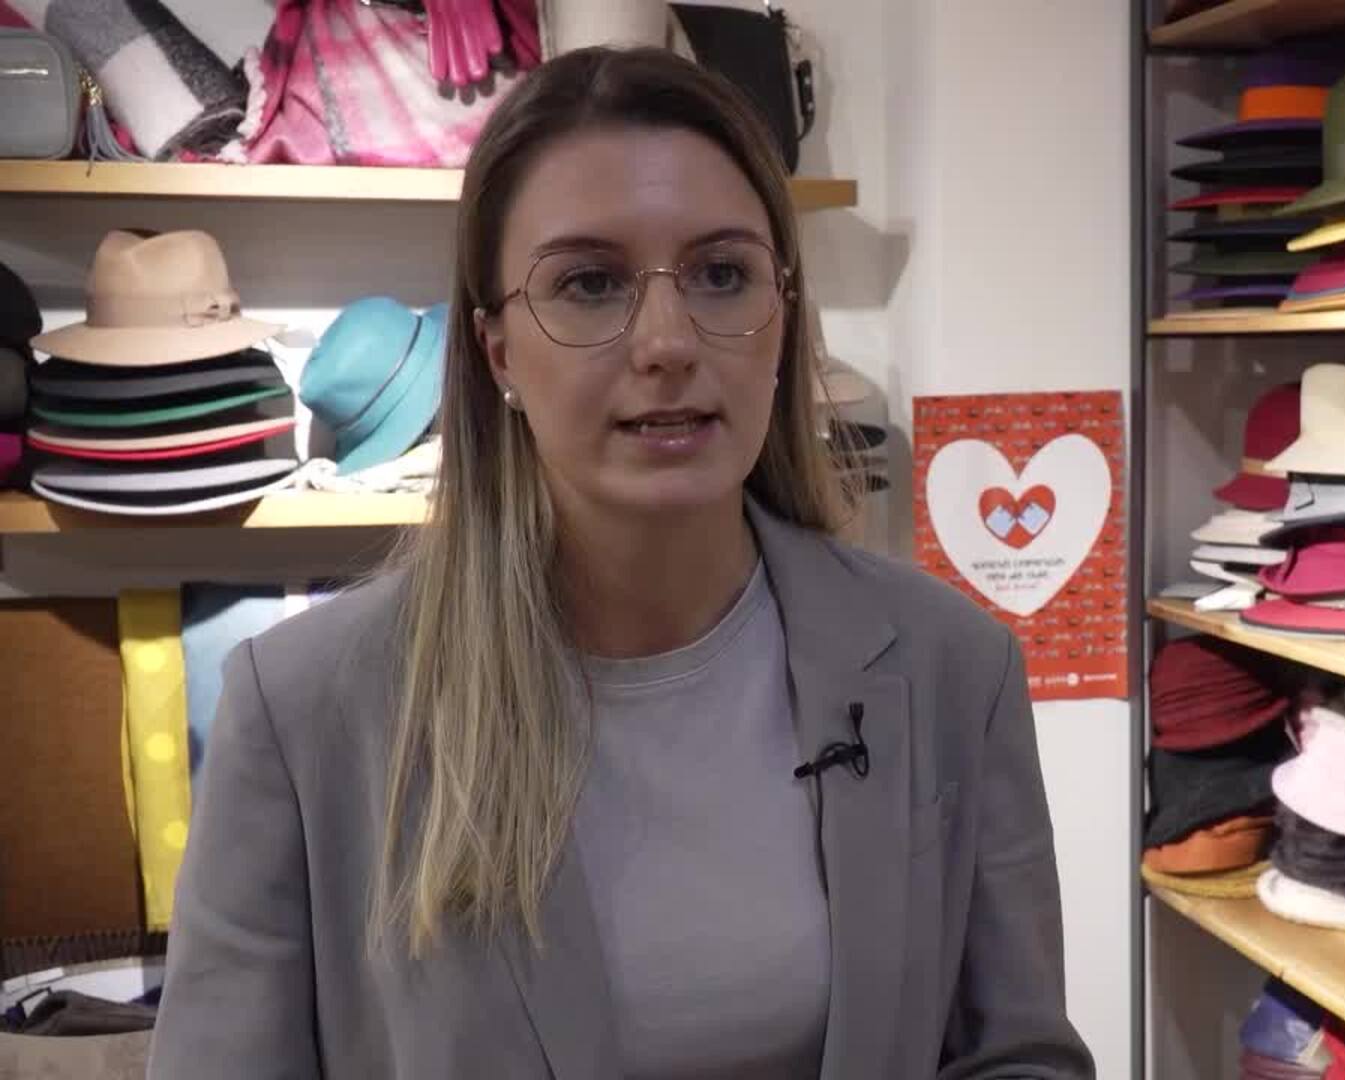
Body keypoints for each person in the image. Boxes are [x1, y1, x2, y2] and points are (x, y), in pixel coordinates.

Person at [149, 48, 1092, 1079]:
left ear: (782, 317)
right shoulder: (306, 715)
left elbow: (1018, 1055)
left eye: (722, 275)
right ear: (498, 351)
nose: (667, 342)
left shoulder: (952, 667)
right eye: (590, 284)